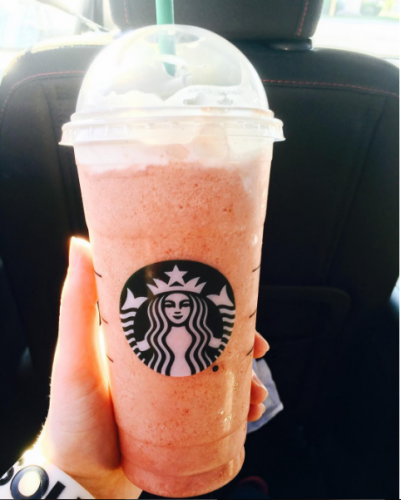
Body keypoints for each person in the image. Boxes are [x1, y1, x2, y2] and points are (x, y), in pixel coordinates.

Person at [1, 238, 270, 499]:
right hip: (129, 455)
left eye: (185, 303)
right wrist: (75, 474)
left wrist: (72, 477)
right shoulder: (153, 340)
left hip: (222, 445)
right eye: (169, 304)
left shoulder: (203, 339)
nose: (177, 310)